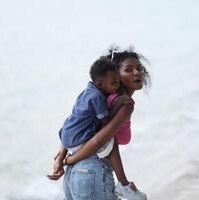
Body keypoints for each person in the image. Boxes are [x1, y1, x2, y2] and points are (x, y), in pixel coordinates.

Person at [48, 47, 150, 200]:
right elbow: (98, 140)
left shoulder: (99, 100)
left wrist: (62, 158)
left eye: (139, 68)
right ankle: (124, 186)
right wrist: (68, 159)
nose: (137, 73)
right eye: (128, 70)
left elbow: (71, 124)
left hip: (74, 174)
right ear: (116, 75)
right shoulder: (125, 104)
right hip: (92, 170)